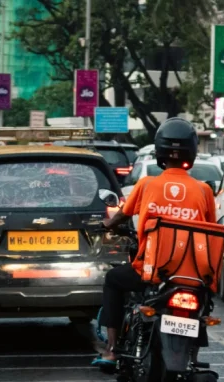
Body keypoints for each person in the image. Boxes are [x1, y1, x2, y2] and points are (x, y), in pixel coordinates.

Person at [93, 118, 217, 367]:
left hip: (150, 272)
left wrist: (107, 225)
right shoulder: (204, 190)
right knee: (200, 298)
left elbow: (122, 215)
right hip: (191, 274)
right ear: (192, 152)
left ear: (159, 151)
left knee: (113, 279)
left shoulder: (147, 184)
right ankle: (193, 355)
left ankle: (112, 348)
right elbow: (212, 230)